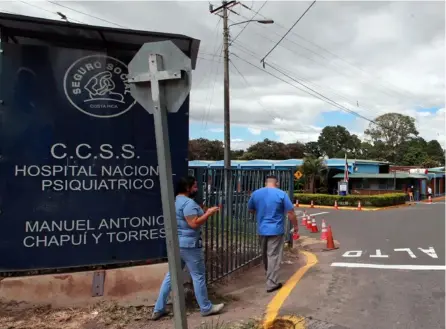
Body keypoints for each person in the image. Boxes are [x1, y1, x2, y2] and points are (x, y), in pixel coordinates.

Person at [151, 176, 224, 320]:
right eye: (195, 186)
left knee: (171, 276)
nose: (196, 189)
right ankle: (206, 307)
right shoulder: (188, 203)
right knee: (198, 276)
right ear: (187, 188)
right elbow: (194, 223)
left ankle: (158, 308)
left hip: (177, 243)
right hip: (190, 245)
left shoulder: (176, 201)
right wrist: (208, 213)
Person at [247, 175, 298, 293]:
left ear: (266, 183)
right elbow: (290, 212)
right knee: (273, 256)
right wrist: (295, 226)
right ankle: (271, 283)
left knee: (265, 254)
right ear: (277, 183)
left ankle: (269, 275)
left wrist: (261, 214)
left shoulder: (256, 194)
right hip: (276, 230)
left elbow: (250, 209)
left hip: (262, 229)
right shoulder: (281, 194)